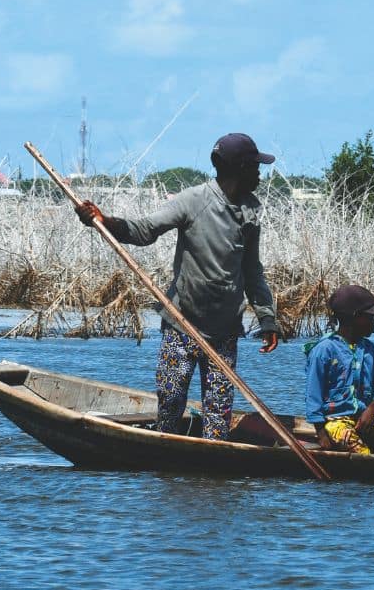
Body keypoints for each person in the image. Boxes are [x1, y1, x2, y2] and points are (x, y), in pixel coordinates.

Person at [75, 132, 280, 440]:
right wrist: (103, 220)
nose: (259, 173)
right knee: (171, 404)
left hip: (224, 331)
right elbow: (144, 231)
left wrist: (267, 318)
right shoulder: (194, 201)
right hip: (182, 323)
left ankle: (213, 474)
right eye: (254, 167)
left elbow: (252, 271)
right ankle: (167, 465)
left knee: (218, 415)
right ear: (238, 169)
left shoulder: (250, 212)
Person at [305, 283, 374, 455]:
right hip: (336, 422)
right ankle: (368, 456)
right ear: (355, 318)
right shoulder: (324, 350)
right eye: (370, 317)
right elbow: (313, 395)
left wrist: (372, 409)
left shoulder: (369, 349)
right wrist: (321, 433)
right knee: (350, 440)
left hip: (365, 418)